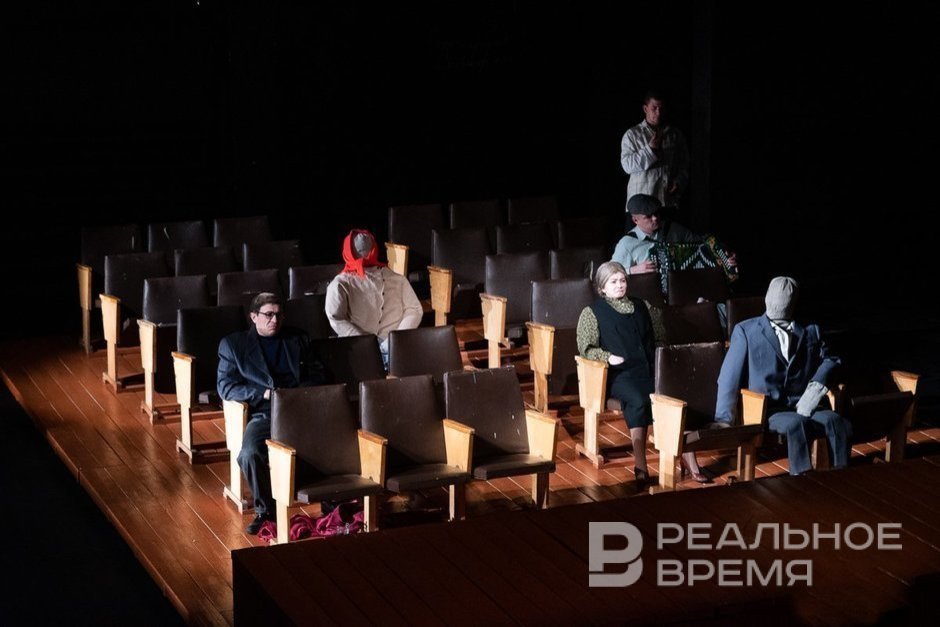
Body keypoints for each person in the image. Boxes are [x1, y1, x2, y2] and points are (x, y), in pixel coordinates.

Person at [714, 277, 851, 475]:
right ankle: (801, 478)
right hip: (769, 409)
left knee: (837, 422)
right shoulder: (746, 331)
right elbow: (729, 377)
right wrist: (723, 419)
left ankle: (842, 477)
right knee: (797, 424)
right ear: (767, 299)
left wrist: (815, 389)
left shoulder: (810, 330)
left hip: (804, 403)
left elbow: (832, 359)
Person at [217, 292, 321, 534]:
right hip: (265, 413)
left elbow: (317, 374)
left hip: (299, 408)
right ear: (254, 317)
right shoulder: (234, 345)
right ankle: (266, 510)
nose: (275, 320)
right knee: (249, 454)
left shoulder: (298, 338)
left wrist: (297, 394)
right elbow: (226, 387)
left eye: (279, 315)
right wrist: (262, 394)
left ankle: (330, 500)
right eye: (268, 315)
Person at [576, 261, 656, 489]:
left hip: (648, 369)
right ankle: (640, 464)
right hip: (618, 374)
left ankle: (686, 458)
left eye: (622, 280)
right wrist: (607, 357)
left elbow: (658, 338)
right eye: (613, 282)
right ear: (602, 287)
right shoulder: (592, 312)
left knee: (670, 394)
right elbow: (586, 349)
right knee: (638, 399)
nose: (620, 285)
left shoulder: (642, 306)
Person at [325, 229, 423, 367]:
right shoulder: (341, 284)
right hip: (359, 352)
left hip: (396, 351)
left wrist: (393, 340)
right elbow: (337, 317)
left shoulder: (396, 279)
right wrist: (365, 343)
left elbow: (414, 309)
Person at [620, 90, 690, 219]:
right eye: (654, 108)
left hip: (667, 203)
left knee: (671, 232)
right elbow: (627, 166)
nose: (658, 112)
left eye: (661, 108)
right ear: (645, 109)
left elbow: (684, 164)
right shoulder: (632, 134)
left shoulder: (675, 135)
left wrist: (679, 182)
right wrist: (650, 150)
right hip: (641, 208)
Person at [612, 193, 698, 276]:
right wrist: (632, 270)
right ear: (635, 220)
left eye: (656, 213)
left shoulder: (673, 229)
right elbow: (611, 273)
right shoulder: (626, 243)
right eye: (648, 216)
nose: (655, 218)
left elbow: (699, 243)